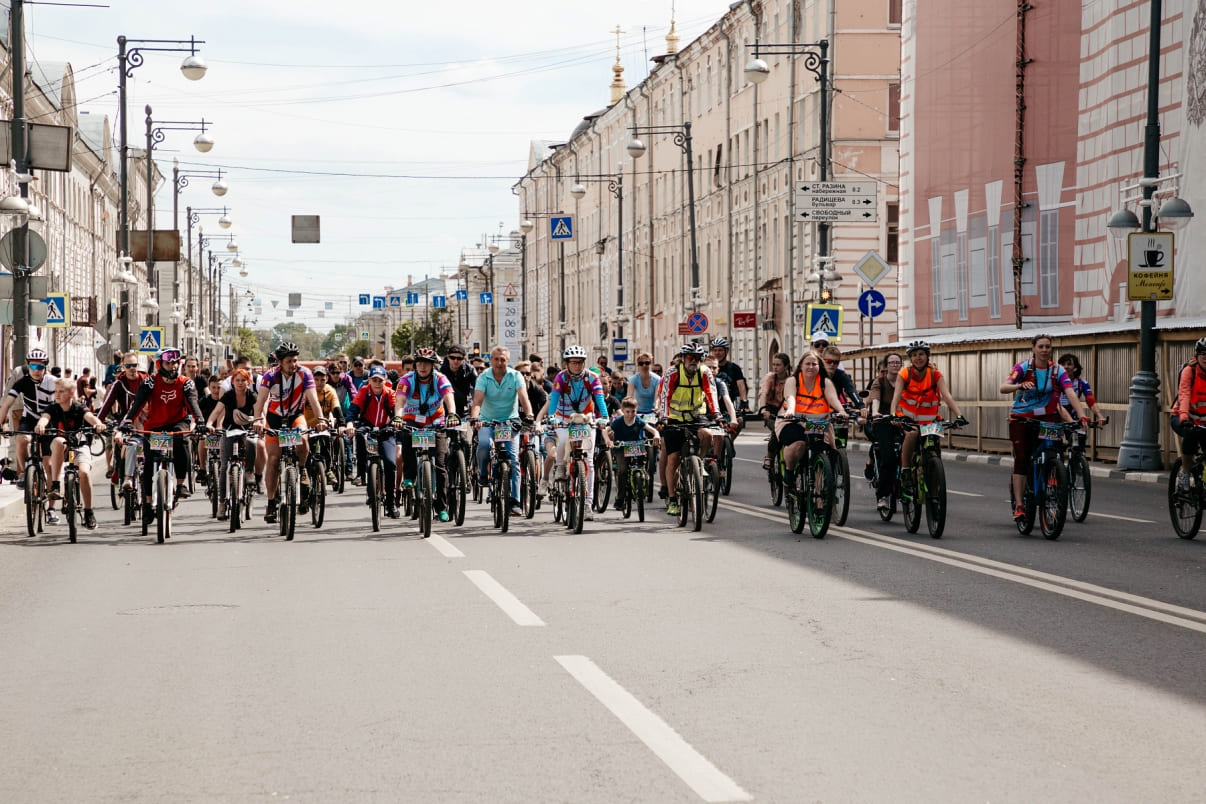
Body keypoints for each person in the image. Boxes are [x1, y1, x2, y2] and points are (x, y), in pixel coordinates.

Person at [999, 334, 1086, 521]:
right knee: (1022, 457)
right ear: (1033, 348)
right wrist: (1019, 385)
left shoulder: (1058, 370)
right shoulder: (1023, 367)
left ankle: (1053, 479)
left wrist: (1082, 415)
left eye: (1048, 346)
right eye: (1041, 346)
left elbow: (1070, 392)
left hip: (1049, 419)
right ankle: (1020, 504)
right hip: (1022, 419)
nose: (1045, 350)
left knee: (1053, 451)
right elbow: (1004, 387)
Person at [119, 346, 207, 515]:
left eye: (175, 362)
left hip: (177, 423)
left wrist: (200, 421)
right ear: (160, 364)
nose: (173, 366)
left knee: (183, 441)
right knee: (148, 461)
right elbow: (137, 404)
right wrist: (128, 421)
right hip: (155, 426)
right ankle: (147, 503)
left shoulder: (186, 383)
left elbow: (193, 404)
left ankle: (181, 484)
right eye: (169, 363)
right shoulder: (150, 382)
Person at [251, 342, 329, 523]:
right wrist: (257, 420)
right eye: (288, 361)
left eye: (295, 360)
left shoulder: (305, 374)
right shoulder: (270, 376)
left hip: (295, 416)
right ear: (279, 362)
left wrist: (321, 419)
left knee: (303, 437)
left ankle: (301, 470)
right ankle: (271, 502)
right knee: (273, 459)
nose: (293, 364)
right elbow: (260, 401)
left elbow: (313, 400)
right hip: (274, 418)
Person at [887, 341, 965, 512]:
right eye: (914, 355)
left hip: (930, 421)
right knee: (912, 435)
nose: (918, 358)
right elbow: (896, 396)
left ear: (927, 356)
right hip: (908, 419)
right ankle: (906, 470)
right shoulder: (904, 373)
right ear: (910, 358)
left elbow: (947, 396)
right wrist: (893, 414)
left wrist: (959, 416)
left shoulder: (935, 374)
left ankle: (934, 477)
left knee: (934, 448)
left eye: (921, 354)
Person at [541, 345, 609, 519]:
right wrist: (551, 417)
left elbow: (600, 398)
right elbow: (554, 397)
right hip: (563, 418)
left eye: (580, 362)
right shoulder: (561, 377)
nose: (577, 366)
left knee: (589, 461)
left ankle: (587, 505)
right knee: (562, 442)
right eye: (573, 363)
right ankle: (561, 468)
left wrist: (604, 418)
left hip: (586, 419)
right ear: (567, 363)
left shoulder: (592, 378)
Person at [654, 343, 720, 516]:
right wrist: (664, 417)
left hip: (696, 415)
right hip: (674, 418)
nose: (694, 361)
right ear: (683, 359)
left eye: (698, 358)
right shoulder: (672, 373)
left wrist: (717, 414)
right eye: (691, 358)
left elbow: (711, 393)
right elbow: (665, 396)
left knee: (707, 434)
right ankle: (673, 499)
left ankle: (699, 463)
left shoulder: (704, 372)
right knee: (673, 457)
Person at [35, 379, 108, 528]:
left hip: (79, 447)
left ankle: (88, 512)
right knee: (57, 441)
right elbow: (44, 418)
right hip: (64, 448)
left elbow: (90, 417)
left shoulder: (78, 407)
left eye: (61, 391)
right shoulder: (53, 408)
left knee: (84, 473)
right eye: (56, 391)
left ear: (71, 393)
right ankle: (55, 485)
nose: (57, 394)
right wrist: (40, 425)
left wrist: (97, 424)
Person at [394, 347, 456, 523]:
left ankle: (442, 507)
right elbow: (399, 402)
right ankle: (410, 476)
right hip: (412, 419)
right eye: (419, 362)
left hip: (435, 421)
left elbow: (449, 398)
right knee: (405, 434)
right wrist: (398, 417)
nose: (422, 366)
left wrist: (451, 414)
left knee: (441, 463)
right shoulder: (407, 379)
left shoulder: (440, 379)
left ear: (432, 365)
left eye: (427, 363)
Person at [470, 346, 533, 517]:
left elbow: (524, 398)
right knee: (483, 445)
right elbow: (477, 402)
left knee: (513, 459)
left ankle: (515, 502)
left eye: (503, 359)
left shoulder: (515, 376)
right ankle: (483, 474)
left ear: (508, 361)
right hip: (487, 422)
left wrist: (529, 415)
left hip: (509, 422)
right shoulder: (484, 377)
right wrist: (475, 418)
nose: (499, 363)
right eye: (496, 359)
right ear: (491, 361)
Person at [775, 352, 848, 485]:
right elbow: (790, 397)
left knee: (823, 450)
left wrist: (841, 410)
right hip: (793, 420)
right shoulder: (793, 380)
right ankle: (789, 471)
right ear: (801, 366)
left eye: (814, 364)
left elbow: (833, 399)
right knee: (798, 444)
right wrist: (791, 410)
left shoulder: (825, 382)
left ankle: (821, 494)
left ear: (819, 366)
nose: (811, 367)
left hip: (818, 421)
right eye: (807, 363)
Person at [205, 368, 263, 519]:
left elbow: (259, 412)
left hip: (246, 430)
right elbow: (217, 411)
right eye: (237, 380)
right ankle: (223, 503)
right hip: (229, 430)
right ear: (232, 382)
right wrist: (210, 423)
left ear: (248, 382)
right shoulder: (229, 395)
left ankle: (249, 472)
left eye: (243, 380)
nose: (240, 383)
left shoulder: (252, 395)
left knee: (252, 442)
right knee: (224, 467)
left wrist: (261, 423)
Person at [344, 365, 400, 516]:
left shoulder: (390, 394)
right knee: (359, 437)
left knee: (390, 463)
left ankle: (391, 503)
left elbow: (396, 412)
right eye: (374, 380)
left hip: (386, 429)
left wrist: (396, 422)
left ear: (385, 380)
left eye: (380, 380)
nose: (377, 383)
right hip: (367, 427)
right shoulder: (364, 392)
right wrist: (349, 424)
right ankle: (361, 475)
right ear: (369, 380)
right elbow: (352, 410)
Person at [0, 348, 59, 488]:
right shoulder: (22, 382)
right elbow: (7, 403)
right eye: (33, 366)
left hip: (49, 421)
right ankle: (24, 473)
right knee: (21, 438)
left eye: (40, 366)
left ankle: (51, 504)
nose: (36, 370)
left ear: (45, 366)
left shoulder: (54, 381)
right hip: (30, 418)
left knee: (48, 464)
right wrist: (1, 423)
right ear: (28, 366)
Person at [97, 352, 148, 486]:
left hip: (145, 419)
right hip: (125, 420)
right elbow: (107, 404)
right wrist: (97, 422)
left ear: (138, 365)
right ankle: (119, 470)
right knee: (120, 441)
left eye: (134, 365)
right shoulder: (119, 383)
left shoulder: (146, 380)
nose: (132, 368)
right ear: (123, 366)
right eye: (128, 365)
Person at [603, 397, 661, 508]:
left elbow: (652, 429)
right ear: (623, 411)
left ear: (636, 410)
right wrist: (608, 440)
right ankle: (620, 498)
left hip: (636, 447)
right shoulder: (618, 422)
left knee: (641, 465)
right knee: (622, 471)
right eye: (627, 412)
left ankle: (642, 482)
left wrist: (656, 435)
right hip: (621, 448)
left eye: (633, 411)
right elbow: (605, 430)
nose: (630, 414)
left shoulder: (638, 420)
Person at [863, 353, 903, 502]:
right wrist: (875, 413)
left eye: (897, 362)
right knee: (889, 458)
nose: (894, 365)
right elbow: (875, 399)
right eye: (891, 362)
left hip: (902, 420)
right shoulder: (879, 381)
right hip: (883, 421)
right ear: (886, 366)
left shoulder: (905, 381)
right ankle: (883, 495)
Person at [1171, 337, 1206, 483]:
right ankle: (1185, 472)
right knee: (1191, 436)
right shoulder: (1189, 371)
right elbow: (1184, 395)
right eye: (1203, 354)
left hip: (1203, 421)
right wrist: (1184, 418)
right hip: (1182, 416)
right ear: (1197, 355)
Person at [305, 365, 345, 486]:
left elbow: (337, 408)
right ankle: (304, 473)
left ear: (327, 379)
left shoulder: (330, 391)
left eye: (322, 379)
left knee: (326, 443)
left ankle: (327, 470)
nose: (319, 383)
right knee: (306, 451)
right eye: (316, 379)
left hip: (324, 426)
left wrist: (342, 424)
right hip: (307, 426)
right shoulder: (306, 391)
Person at [758, 352, 792, 471]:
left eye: (778, 365)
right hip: (771, 411)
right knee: (777, 429)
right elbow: (763, 393)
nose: (775, 367)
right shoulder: (770, 378)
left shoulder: (792, 379)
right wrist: (763, 410)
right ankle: (769, 456)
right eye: (774, 364)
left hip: (787, 410)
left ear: (786, 366)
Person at [1057, 353, 1107, 425]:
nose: (1066, 367)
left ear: (1075, 367)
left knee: (1080, 434)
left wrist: (1100, 416)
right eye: (1063, 364)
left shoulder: (1081, 382)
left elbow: (1091, 401)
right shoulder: (1054, 381)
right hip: (1055, 417)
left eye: (1069, 364)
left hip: (1074, 416)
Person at [196, 374, 224, 485]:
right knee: (202, 440)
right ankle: (202, 469)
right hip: (207, 432)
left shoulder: (228, 400)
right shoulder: (204, 400)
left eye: (219, 387)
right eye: (214, 387)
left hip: (223, 432)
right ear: (209, 387)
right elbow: (196, 415)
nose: (216, 390)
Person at [710, 337, 749, 412]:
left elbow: (741, 385)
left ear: (726, 351)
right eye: (715, 350)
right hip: (714, 405)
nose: (717, 353)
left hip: (731, 404)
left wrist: (744, 402)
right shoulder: (708, 368)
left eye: (720, 350)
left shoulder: (734, 368)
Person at [438, 345, 478, 418]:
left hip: (463, 410)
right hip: (443, 410)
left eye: (459, 358)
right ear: (448, 357)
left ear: (464, 359)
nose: (455, 361)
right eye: (452, 358)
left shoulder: (470, 370)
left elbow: (478, 389)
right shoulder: (440, 371)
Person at [821, 346, 863, 411]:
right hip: (816, 410)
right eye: (828, 361)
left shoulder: (841, 375)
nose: (832, 364)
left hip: (834, 410)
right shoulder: (816, 373)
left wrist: (861, 406)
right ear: (822, 360)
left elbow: (851, 391)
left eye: (836, 362)